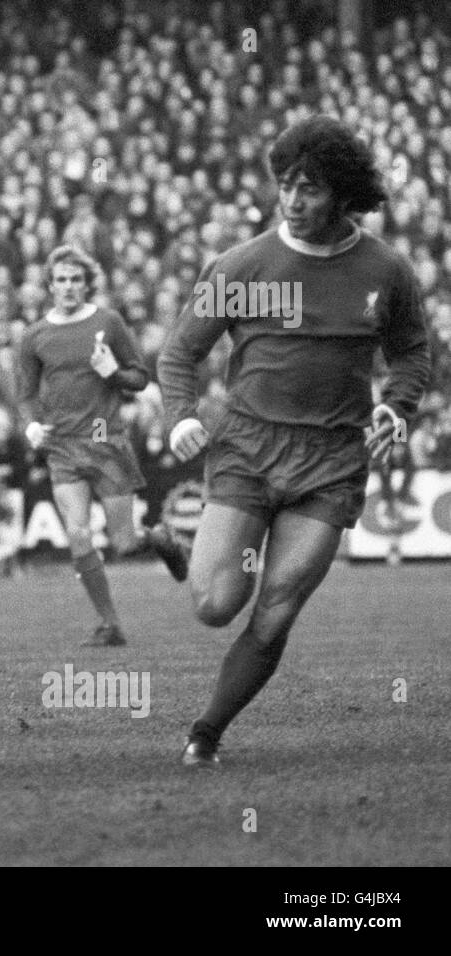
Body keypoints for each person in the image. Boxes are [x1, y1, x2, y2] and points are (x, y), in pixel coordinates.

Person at [158, 116, 430, 768]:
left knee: (276, 606)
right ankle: (187, 563)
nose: (291, 200)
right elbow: (179, 354)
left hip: (333, 462)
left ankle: (206, 734)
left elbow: (413, 355)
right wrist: (178, 416)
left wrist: (396, 408)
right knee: (214, 605)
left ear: (342, 193)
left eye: (307, 189)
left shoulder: (386, 270)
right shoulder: (241, 264)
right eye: (284, 185)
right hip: (248, 449)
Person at [17, 245, 189, 646]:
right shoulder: (34, 336)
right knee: (78, 535)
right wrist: (31, 428)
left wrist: (113, 372)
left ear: (87, 283)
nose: (69, 287)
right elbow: (25, 395)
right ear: (50, 285)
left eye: (76, 279)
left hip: (107, 442)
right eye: (61, 279)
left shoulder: (108, 322)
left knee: (125, 544)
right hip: (62, 446)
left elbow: (140, 377)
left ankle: (158, 538)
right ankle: (109, 624)